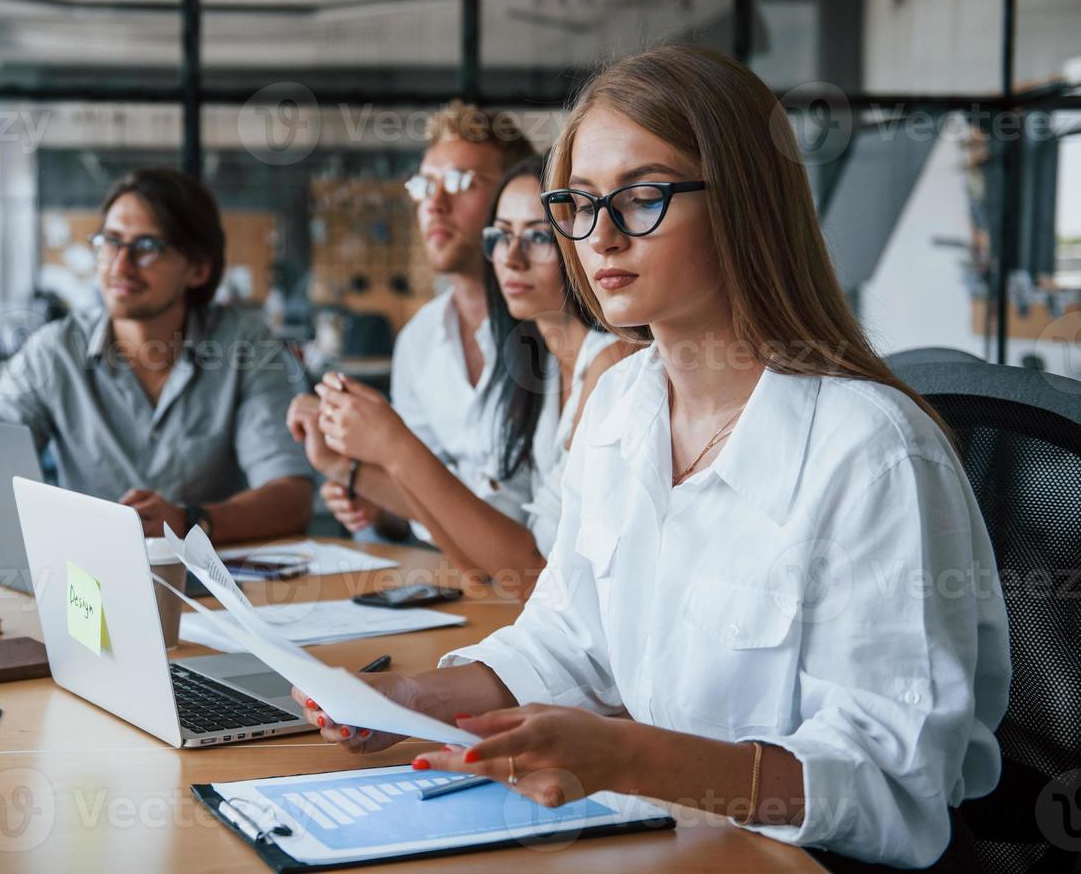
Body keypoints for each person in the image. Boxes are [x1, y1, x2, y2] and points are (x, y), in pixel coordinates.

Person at [292, 44, 1010, 870]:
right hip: (648, 837)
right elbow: (568, 642)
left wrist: (626, 755)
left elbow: (890, 788)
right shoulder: (623, 405)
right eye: (581, 203)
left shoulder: (871, 452)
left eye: (641, 198)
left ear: (743, 203)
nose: (599, 237)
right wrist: (409, 699)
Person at [300, 157, 638, 598]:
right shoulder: (538, 369)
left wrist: (394, 446)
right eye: (501, 236)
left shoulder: (613, 365)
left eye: (538, 236)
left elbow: (536, 575)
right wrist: (342, 465)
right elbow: (481, 566)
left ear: (581, 241)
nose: (512, 259)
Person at [0, 167, 313, 543]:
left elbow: (290, 497)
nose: (120, 265)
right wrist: (88, 534)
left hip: (212, 587)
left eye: (147, 247)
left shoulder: (245, 346)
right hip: (85, 589)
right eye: (110, 242)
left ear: (197, 269)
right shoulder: (53, 352)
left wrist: (190, 522)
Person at [289, 101, 537, 543]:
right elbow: (421, 498)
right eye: (424, 185)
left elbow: (521, 528)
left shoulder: (555, 332)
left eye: (460, 182)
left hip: (533, 577)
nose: (435, 203)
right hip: (449, 567)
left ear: (513, 194)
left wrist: (368, 464)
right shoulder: (418, 340)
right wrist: (375, 501)